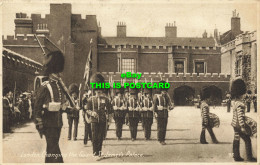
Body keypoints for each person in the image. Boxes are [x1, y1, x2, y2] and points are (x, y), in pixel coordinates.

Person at [34, 50, 68, 163]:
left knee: (51, 150)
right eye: (56, 71)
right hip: (48, 124)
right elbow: (37, 108)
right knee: (55, 152)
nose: (59, 74)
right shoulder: (45, 87)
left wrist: (67, 108)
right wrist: (39, 125)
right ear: (51, 72)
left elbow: (61, 106)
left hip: (57, 123)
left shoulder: (58, 86)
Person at [85, 73, 113, 157]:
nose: (98, 93)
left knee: (101, 136)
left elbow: (110, 110)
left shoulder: (106, 99)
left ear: (101, 91)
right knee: (94, 136)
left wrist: (109, 120)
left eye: (99, 91)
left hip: (102, 120)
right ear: (94, 91)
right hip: (93, 120)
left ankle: (99, 151)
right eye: (97, 91)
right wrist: (92, 113)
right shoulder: (91, 99)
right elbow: (87, 110)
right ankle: (95, 151)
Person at [230, 79, 256, 162]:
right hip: (239, 124)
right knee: (247, 140)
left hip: (234, 124)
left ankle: (236, 156)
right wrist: (242, 126)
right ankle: (249, 157)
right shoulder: (240, 104)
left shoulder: (234, 102)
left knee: (236, 139)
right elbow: (240, 116)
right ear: (241, 93)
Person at [153, 80, 174, 145]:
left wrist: (171, 107)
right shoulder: (156, 96)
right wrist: (156, 112)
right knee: (160, 127)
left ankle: (163, 139)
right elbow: (154, 105)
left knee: (164, 127)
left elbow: (169, 104)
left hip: (165, 114)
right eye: (163, 90)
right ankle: (160, 139)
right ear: (161, 90)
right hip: (159, 114)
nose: (164, 92)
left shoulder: (166, 96)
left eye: (165, 90)